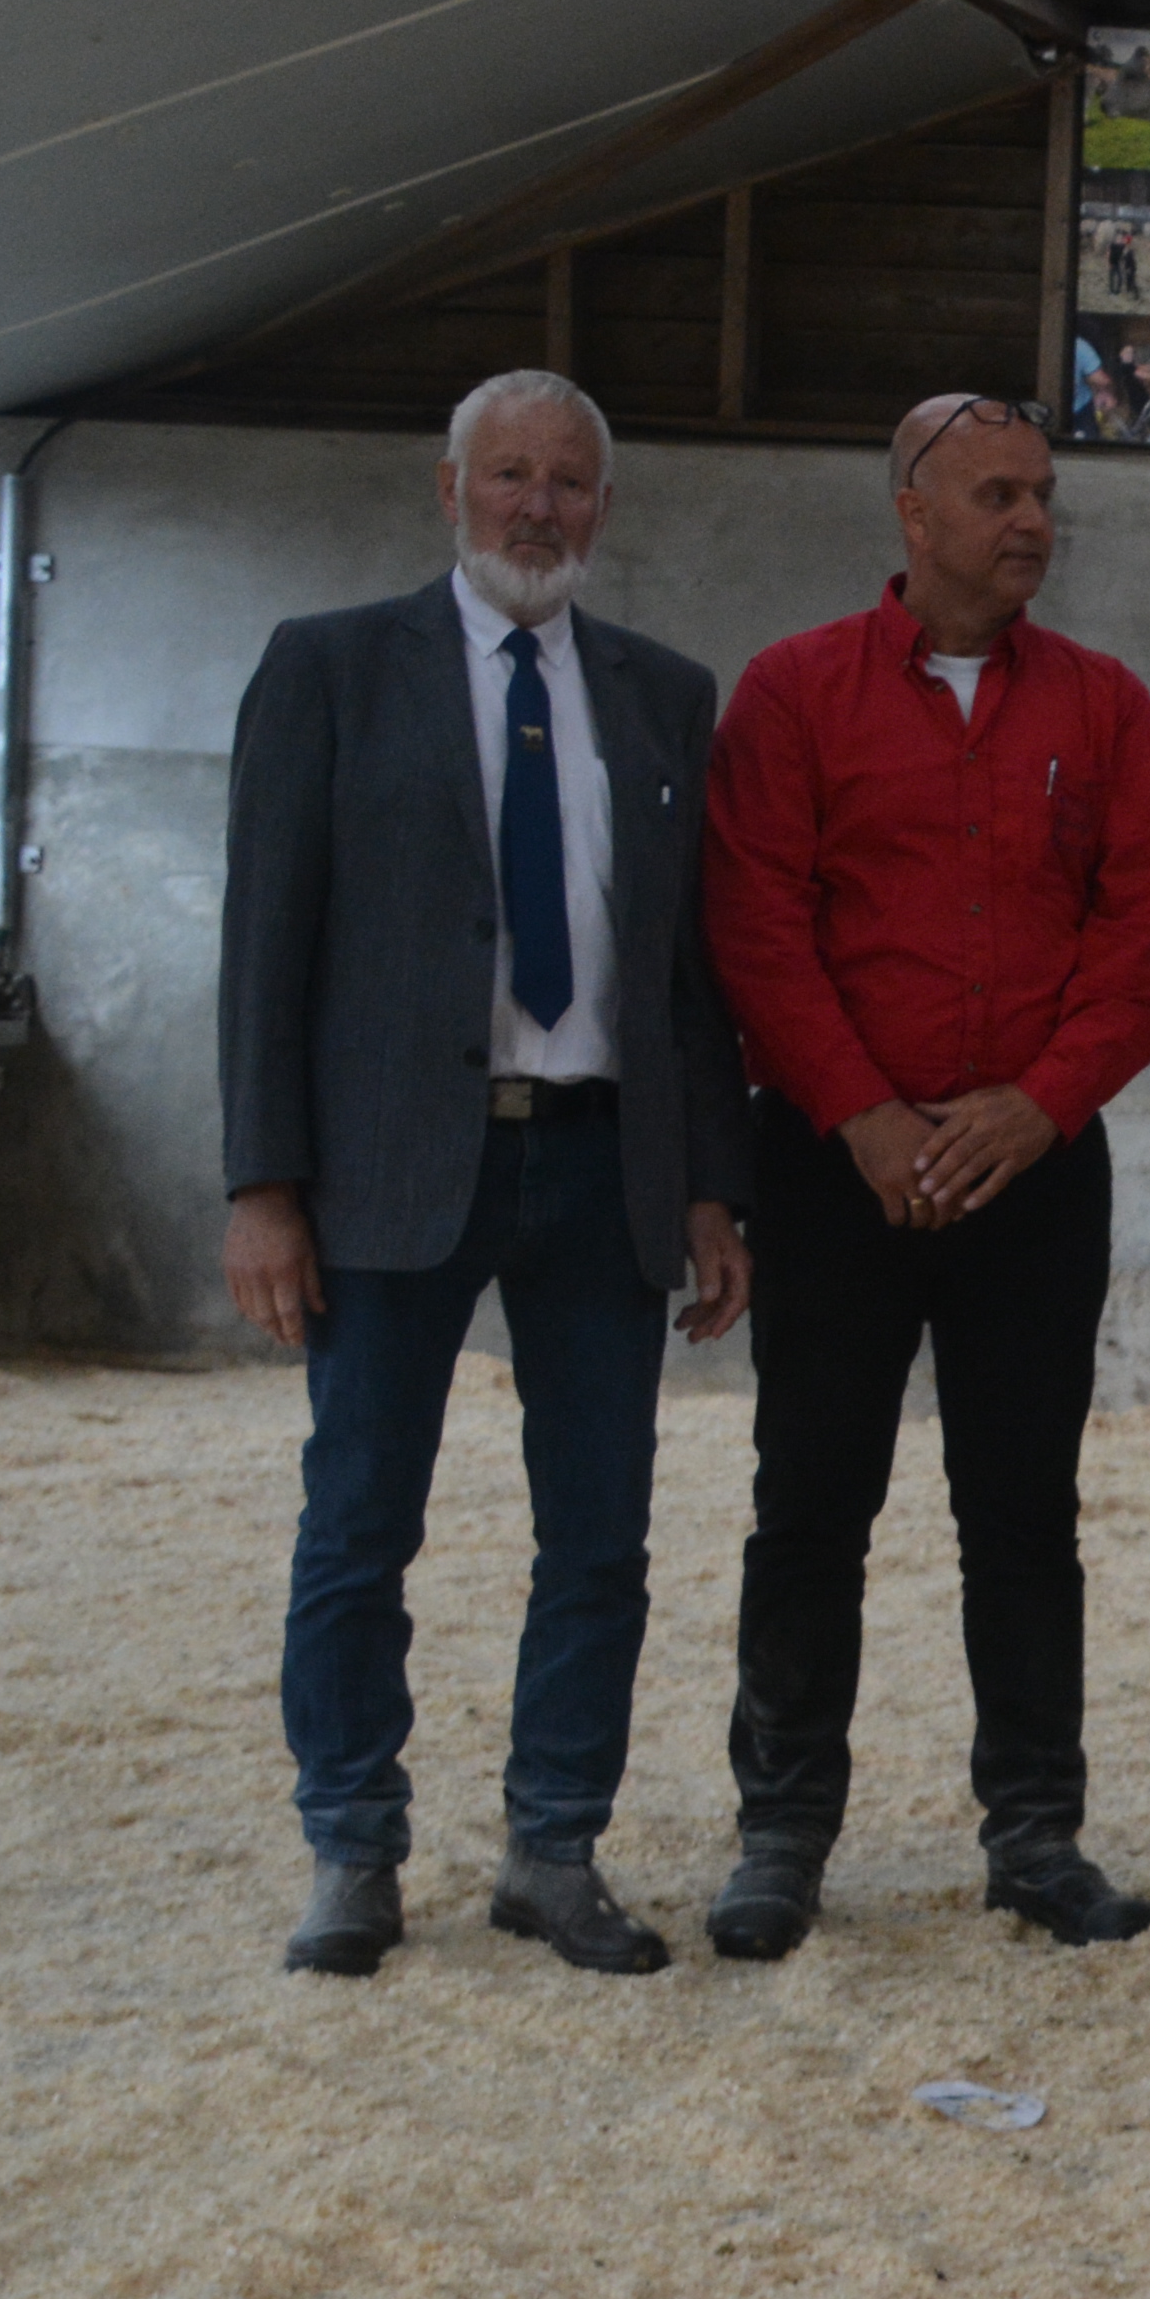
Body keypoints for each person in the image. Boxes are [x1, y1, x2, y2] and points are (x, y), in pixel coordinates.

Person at [220, 371, 751, 1981]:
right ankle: (351, 1848)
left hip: (602, 1164)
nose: (539, 505)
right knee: (359, 1522)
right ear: (447, 489)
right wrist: (262, 1184)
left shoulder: (664, 696)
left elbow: (689, 967)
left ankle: (553, 1849)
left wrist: (710, 1186)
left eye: (568, 481)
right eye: (509, 474)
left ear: (604, 506)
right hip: (390, 1168)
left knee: (599, 1536)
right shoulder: (327, 668)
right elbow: (265, 941)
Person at [693, 391, 1150, 1964]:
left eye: (1042, 494)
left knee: (1025, 1511)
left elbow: (1147, 936)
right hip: (835, 1171)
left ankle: (1035, 1835)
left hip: (1032, 1178)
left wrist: (1038, 1109)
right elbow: (756, 923)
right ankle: (783, 1833)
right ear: (913, 513)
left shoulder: (1105, 708)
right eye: (997, 496)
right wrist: (861, 1117)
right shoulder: (792, 693)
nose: (1032, 520)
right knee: (810, 1502)